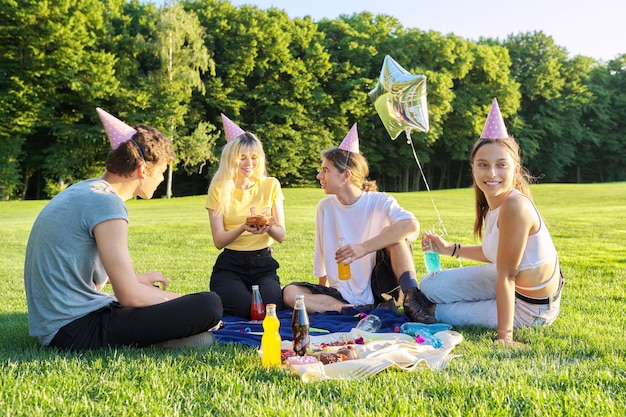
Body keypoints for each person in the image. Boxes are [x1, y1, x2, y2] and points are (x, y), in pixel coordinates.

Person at [23, 108, 223, 351]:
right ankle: (171, 338)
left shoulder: (87, 191)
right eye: (161, 171)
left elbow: (74, 268)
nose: (161, 180)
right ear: (143, 170)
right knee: (209, 305)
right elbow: (129, 295)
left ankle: (172, 339)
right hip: (75, 329)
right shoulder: (106, 203)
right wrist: (180, 302)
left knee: (190, 316)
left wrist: (139, 280)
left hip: (62, 325)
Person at [418, 98, 564, 345]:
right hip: (510, 284)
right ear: (473, 169)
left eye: (501, 165)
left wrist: (505, 337)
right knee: (430, 286)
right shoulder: (493, 204)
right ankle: (470, 304)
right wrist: (448, 249)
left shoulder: (514, 206)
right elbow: (496, 254)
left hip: (531, 309)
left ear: (515, 170)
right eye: (483, 165)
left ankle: (463, 310)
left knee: (437, 312)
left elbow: (506, 274)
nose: (491, 173)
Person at [282, 124, 435, 324]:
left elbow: (411, 225)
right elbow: (321, 252)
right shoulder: (325, 207)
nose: (319, 176)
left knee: (396, 236)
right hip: (342, 293)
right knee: (290, 293)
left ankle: (412, 298)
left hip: (380, 287)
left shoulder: (379, 201)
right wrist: (323, 289)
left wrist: (363, 248)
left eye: (325, 170)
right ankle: (353, 310)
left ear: (345, 176)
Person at [205, 114, 286, 318]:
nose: (248, 163)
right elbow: (218, 240)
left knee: (270, 309)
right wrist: (243, 227)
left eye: (253, 157)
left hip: (263, 262)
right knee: (244, 309)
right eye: (242, 157)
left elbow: (281, 235)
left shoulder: (271, 185)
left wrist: (268, 227)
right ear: (231, 159)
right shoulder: (219, 188)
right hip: (231, 264)